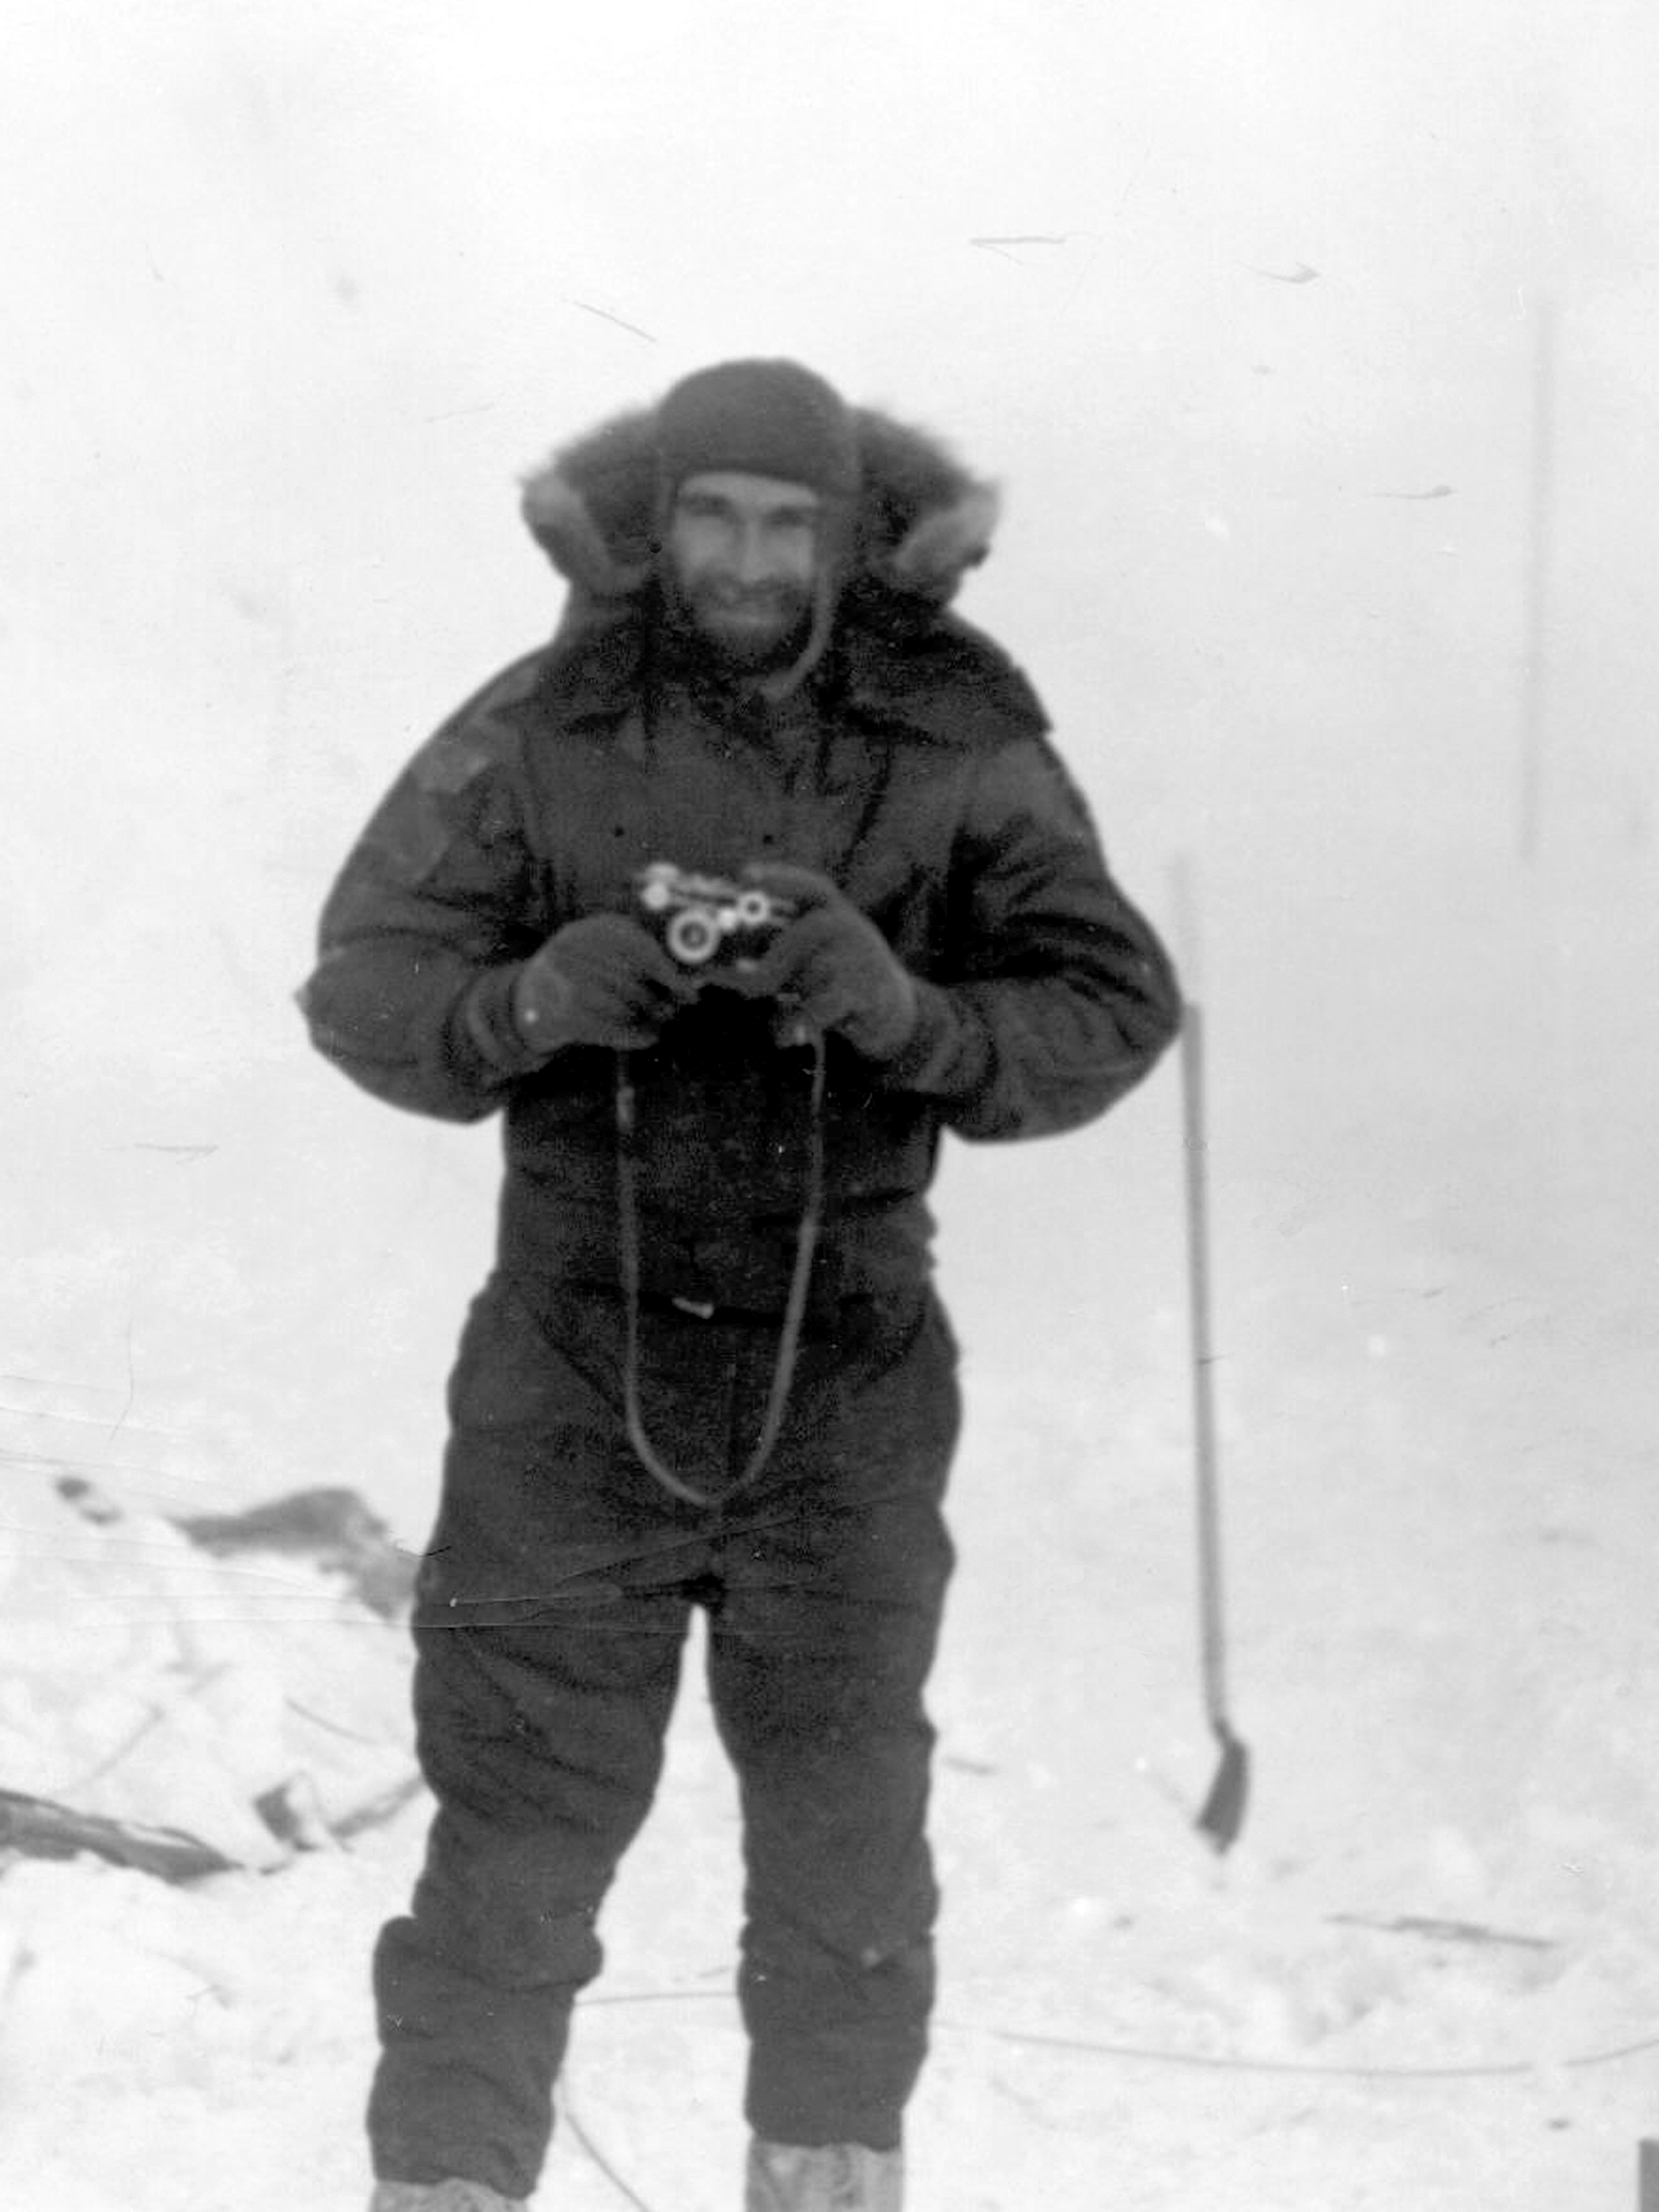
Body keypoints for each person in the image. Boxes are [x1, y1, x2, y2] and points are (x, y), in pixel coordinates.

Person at [301, 358, 1181, 2212]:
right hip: (569, 1366)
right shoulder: (542, 723)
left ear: (853, 536)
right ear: (657, 520)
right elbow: (364, 978)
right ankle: (444, 2190)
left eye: (789, 522)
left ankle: (827, 2185)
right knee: (516, 1832)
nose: (748, 558)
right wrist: (530, 999)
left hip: (841, 1368)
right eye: (713, 513)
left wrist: (909, 1010)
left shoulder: (957, 735)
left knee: (845, 1836)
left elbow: (1110, 1003)